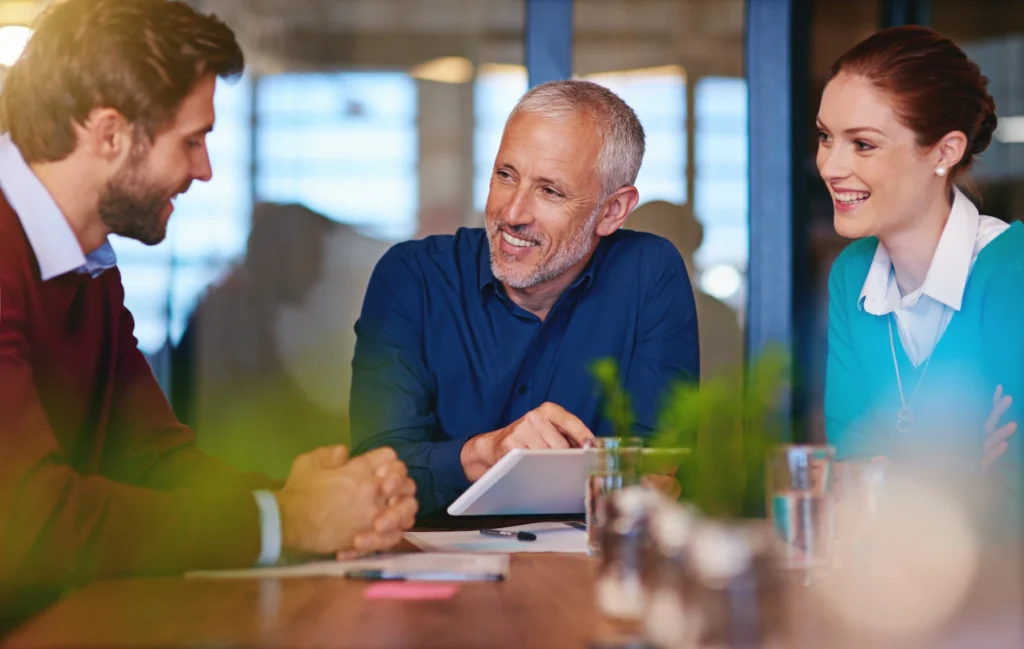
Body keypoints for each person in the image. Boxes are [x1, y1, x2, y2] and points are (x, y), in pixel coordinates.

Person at [0, 0, 415, 625]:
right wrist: (288, 520)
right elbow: (31, 523)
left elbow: (153, 463)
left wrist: (297, 499)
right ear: (109, 133)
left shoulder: (87, 265)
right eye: (191, 140)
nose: (205, 169)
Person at [350, 80, 699, 515]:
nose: (512, 214)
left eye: (550, 191)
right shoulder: (412, 277)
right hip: (438, 567)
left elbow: (655, 467)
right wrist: (487, 453)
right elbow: (373, 473)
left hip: (584, 568)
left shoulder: (648, 273)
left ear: (611, 211)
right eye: (505, 175)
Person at [821, 26, 1023, 511]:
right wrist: (959, 470)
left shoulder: (1012, 272)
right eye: (826, 137)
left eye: (863, 144)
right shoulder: (852, 277)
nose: (830, 166)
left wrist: (888, 473)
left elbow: (1013, 502)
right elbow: (845, 484)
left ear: (946, 151)